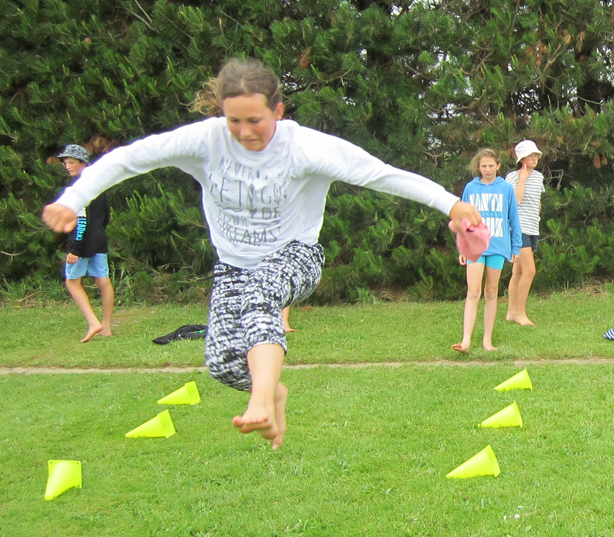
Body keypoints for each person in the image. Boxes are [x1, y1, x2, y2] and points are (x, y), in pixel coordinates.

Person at [42, 58, 482, 449]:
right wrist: (73, 198)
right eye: (234, 121)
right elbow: (128, 159)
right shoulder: (204, 141)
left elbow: (382, 175)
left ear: (278, 111)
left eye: (255, 120)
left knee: (261, 295)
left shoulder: (306, 147)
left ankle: (261, 403)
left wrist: (451, 203)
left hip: (297, 255)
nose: (244, 132)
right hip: (233, 264)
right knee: (219, 361)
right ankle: (273, 393)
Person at [452, 149, 521, 352]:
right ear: (478, 167)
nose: (488, 169)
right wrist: (462, 247)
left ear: (498, 166)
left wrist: (515, 246)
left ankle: (487, 341)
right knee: (473, 291)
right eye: (484, 166)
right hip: (475, 247)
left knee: (491, 292)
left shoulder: (506, 188)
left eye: (491, 165)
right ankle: (466, 341)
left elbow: (513, 219)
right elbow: (462, 220)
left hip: (499, 246)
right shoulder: (470, 189)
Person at [57, 144, 115, 343]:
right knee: (103, 281)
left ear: (83, 163)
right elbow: (105, 217)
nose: (68, 166)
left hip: (83, 243)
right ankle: (106, 327)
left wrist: (75, 249)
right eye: (66, 163)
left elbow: (81, 220)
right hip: (99, 239)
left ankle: (93, 322)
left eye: (71, 162)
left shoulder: (78, 188)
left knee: (71, 281)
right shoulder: (99, 185)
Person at [504, 140, 545, 326]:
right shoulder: (512, 177)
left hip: (532, 227)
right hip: (517, 229)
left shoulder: (539, 177)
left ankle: (511, 312)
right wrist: (522, 178)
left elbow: (537, 200)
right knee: (530, 270)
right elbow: (515, 201)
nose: (534, 158)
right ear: (522, 158)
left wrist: (537, 215)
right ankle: (520, 313)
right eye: (531, 155)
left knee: (519, 271)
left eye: (536, 154)